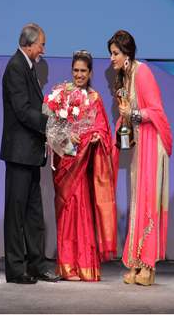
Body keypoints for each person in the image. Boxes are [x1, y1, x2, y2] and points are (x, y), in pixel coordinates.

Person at [44, 50, 117, 281]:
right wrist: (67, 135)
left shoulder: (94, 98)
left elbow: (103, 130)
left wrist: (95, 137)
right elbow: (52, 129)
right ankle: (67, 266)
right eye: (75, 70)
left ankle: (84, 265)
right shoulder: (61, 95)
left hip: (83, 166)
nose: (78, 75)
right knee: (66, 215)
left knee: (82, 213)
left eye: (83, 71)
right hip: (66, 163)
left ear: (90, 72)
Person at [107, 30, 172, 285]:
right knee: (138, 200)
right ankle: (135, 262)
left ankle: (149, 266)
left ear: (127, 53)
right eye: (111, 54)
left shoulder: (142, 71)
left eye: (115, 53)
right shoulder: (125, 77)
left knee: (148, 200)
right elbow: (129, 118)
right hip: (140, 142)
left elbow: (156, 111)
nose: (111, 58)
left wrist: (131, 114)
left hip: (153, 142)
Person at [0, 23, 59, 284]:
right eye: (41, 44)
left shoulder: (28, 67)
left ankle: (37, 265)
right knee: (16, 212)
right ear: (29, 44)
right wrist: (51, 123)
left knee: (34, 213)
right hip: (19, 153)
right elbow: (23, 110)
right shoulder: (15, 67)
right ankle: (15, 269)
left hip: (31, 153)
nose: (43, 49)